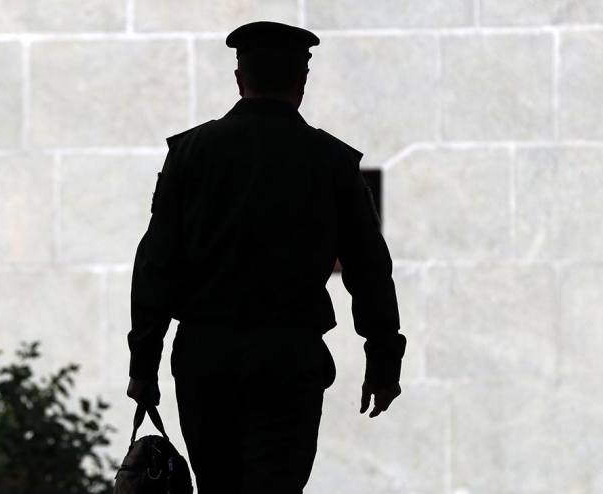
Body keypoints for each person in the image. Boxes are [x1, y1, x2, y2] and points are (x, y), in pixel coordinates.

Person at [125, 20, 407, 494]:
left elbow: (156, 264)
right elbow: (369, 268)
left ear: (240, 78)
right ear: (302, 82)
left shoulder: (190, 153)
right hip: (287, 358)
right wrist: (383, 358)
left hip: (205, 356)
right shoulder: (332, 161)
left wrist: (143, 363)